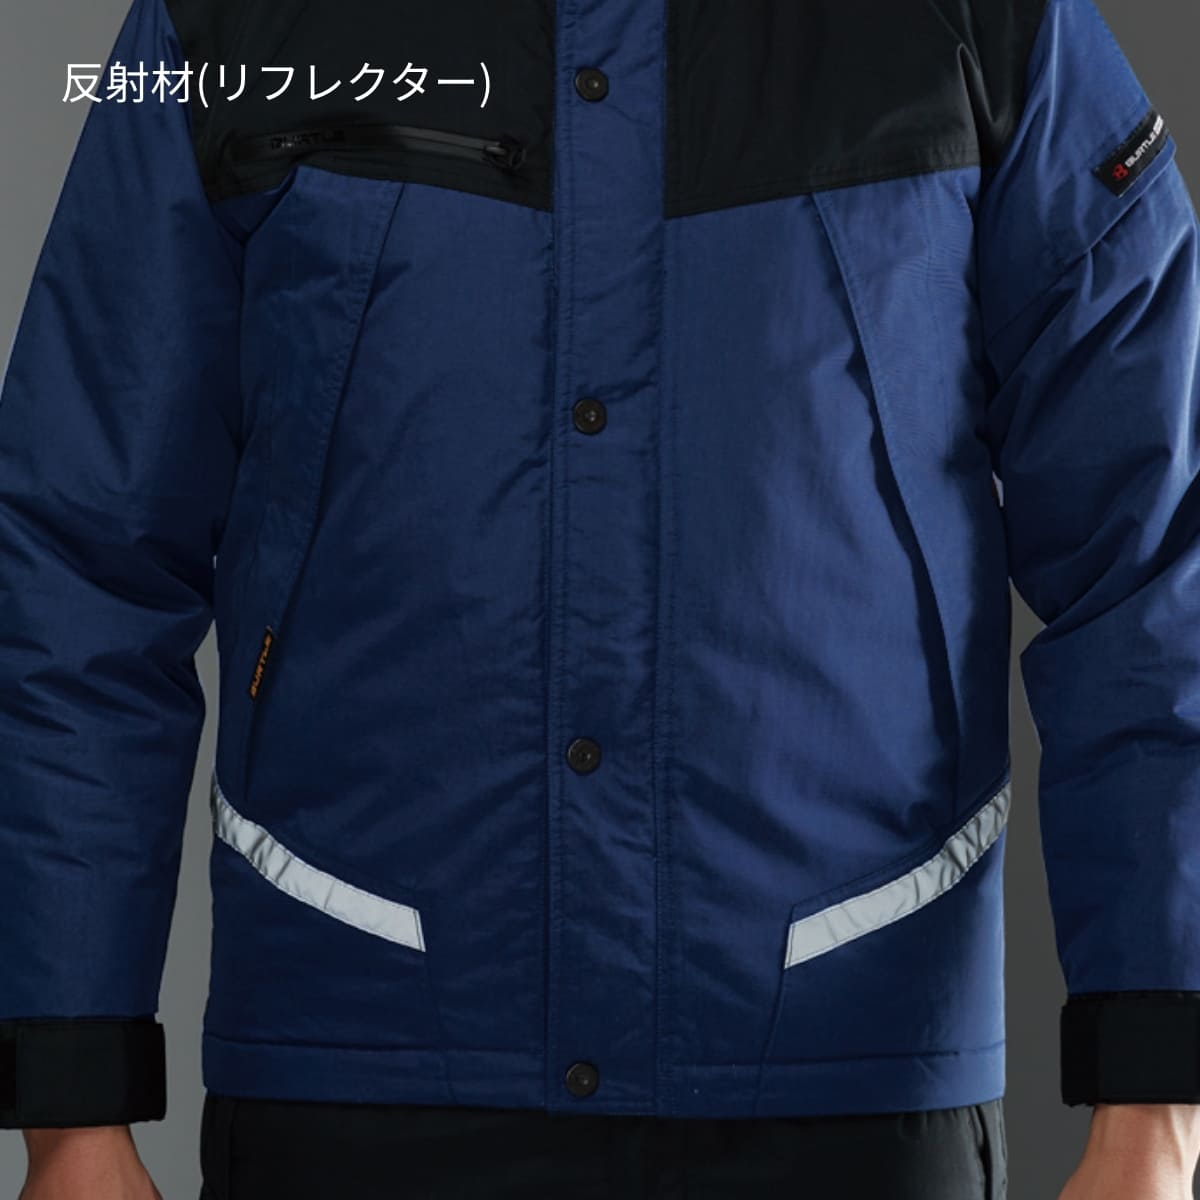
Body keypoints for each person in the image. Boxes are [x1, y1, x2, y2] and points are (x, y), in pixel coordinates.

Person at [3, 0, 1200, 1196]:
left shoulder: (988, 19)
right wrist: (70, 1110)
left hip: (852, 1060)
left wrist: (1157, 1102)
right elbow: (81, 549)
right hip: (356, 1056)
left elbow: (1151, 549)